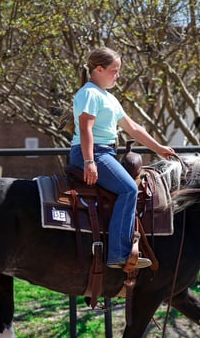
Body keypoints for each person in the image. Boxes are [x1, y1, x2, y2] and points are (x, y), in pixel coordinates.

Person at [69, 47, 175, 271]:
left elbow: (133, 127)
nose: (117, 76)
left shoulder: (109, 98)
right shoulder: (89, 93)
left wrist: (159, 148)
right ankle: (118, 254)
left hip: (105, 153)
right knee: (129, 189)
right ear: (99, 70)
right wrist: (89, 161)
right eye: (114, 71)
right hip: (92, 153)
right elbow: (86, 129)